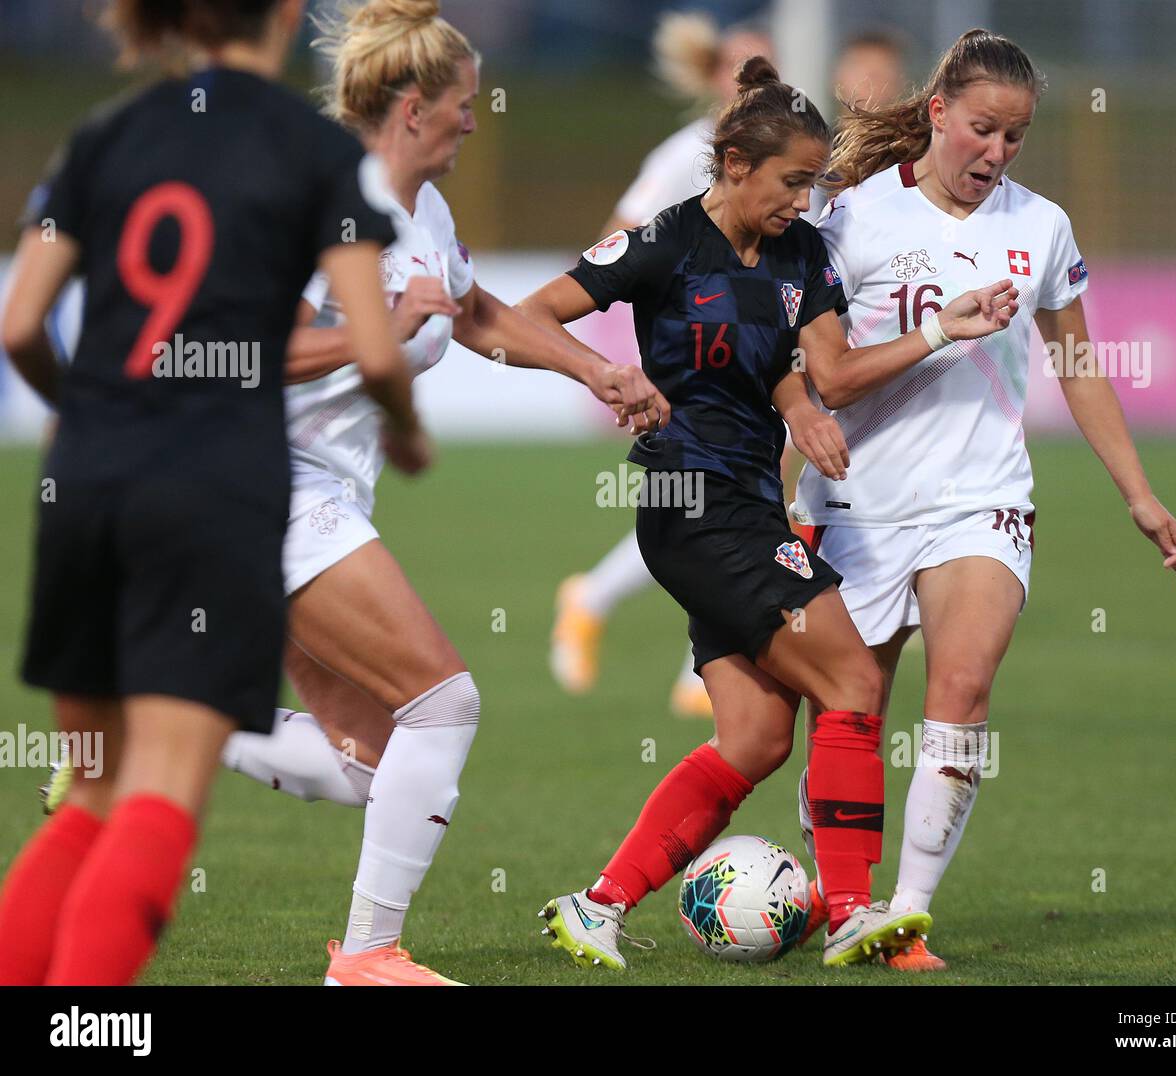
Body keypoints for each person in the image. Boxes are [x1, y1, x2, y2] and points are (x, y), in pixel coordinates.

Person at [518, 56, 1018, 970]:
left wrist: (804, 407)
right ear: (736, 162)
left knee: (754, 739)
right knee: (856, 688)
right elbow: (527, 318)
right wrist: (601, 371)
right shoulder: (665, 243)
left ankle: (597, 906)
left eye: (815, 183)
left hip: (749, 504)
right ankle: (855, 911)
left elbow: (818, 368)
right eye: (792, 182)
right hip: (695, 505)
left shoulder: (798, 254)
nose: (803, 201)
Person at [211, 0, 667, 986]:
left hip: (313, 486)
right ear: (413, 106)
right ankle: (367, 955)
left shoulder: (422, 211)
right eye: (463, 104)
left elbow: (476, 312)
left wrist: (595, 371)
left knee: (368, 764)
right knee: (444, 701)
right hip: (258, 481)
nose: (474, 119)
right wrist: (377, 324)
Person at [0, 0, 424, 986]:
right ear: (286, 13)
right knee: (155, 793)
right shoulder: (314, 150)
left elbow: (21, 322)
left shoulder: (108, 131)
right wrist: (404, 430)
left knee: (93, 791)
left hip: (87, 480)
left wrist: (92, 409)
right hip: (212, 487)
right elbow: (372, 344)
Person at [791, 28, 1176, 971]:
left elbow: (1079, 362)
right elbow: (812, 372)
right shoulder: (852, 221)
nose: (996, 154)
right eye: (981, 130)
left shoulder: (1039, 227)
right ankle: (843, 893)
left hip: (983, 497)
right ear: (936, 113)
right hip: (857, 504)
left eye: (1015, 138)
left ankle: (908, 914)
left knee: (963, 687)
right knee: (851, 712)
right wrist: (774, 492)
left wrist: (1138, 493)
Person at [549, 12, 774, 718]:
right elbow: (617, 240)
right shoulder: (689, 154)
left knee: (730, 505)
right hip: (706, 359)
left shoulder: (786, 156)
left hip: (764, 354)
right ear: (713, 80)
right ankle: (687, 659)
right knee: (721, 505)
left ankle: (683, 658)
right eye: (739, 71)